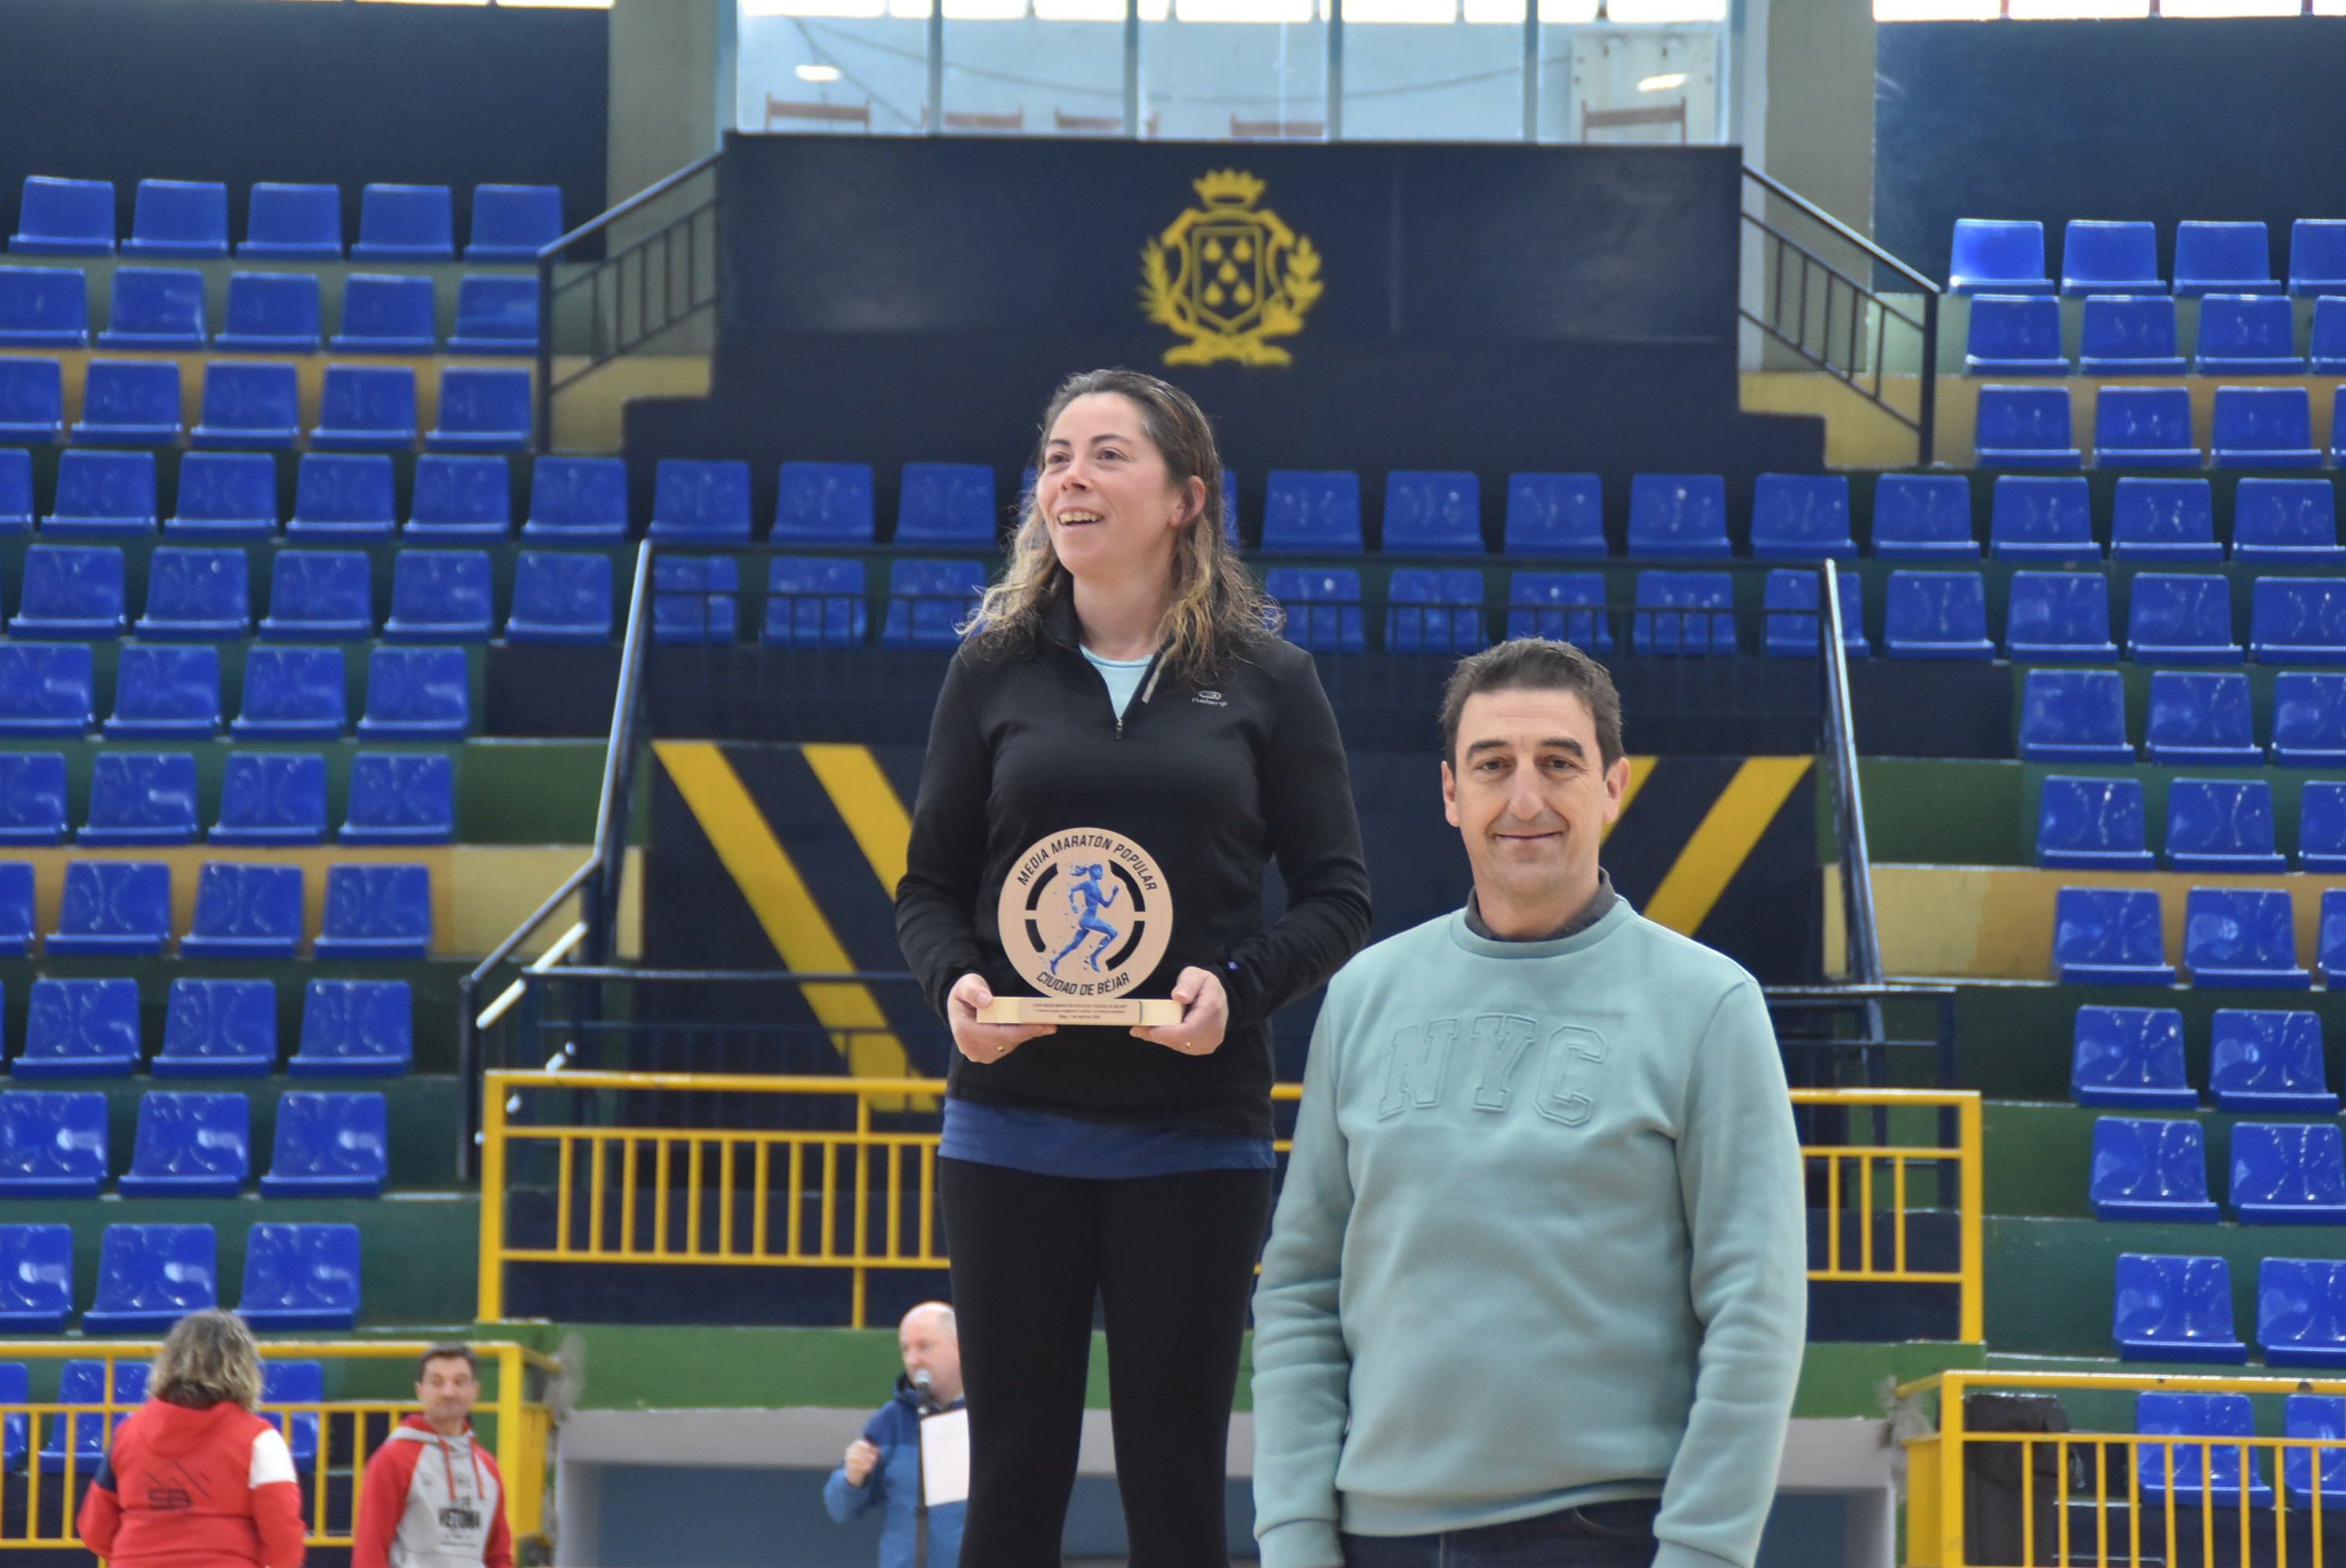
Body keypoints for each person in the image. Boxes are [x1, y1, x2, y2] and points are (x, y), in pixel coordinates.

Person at [895, 367, 1372, 1567]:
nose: (1071, 476)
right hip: (1009, 1128)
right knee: (1011, 1484)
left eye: (1108, 454)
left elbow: (1338, 897)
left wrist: (1241, 990)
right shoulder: (991, 667)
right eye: (1056, 455)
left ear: (1185, 499)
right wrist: (958, 985)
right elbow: (929, 890)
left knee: (1175, 1489)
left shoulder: (1272, 681)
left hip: (1193, 1133)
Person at [1251, 637, 1807, 1568]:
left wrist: (1705, 1551)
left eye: (1559, 763)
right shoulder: (1363, 994)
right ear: (1449, 793)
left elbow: (1755, 1308)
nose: (1524, 799)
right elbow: (1303, 1290)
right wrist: (1295, 1535)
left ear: (1613, 787)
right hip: (1375, 1535)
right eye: (1492, 765)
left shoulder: (1708, 1003)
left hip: (1605, 1532)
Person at [77, 1308, 306, 1568]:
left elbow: (95, 1528)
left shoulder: (127, 1433)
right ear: (245, 1368)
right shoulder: (261, 1439)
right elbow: (283, 1537)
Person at [823, 1301, 968, 1567]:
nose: (913, 1360)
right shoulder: (890, 1422)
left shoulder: (991, 1419)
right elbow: (838, 1509)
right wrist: (852, 1479)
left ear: (960, 1346)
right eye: (905, 1349)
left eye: (924, 1346)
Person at [352, 1344, 513, 1568]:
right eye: (437, 1382)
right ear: (420, 1391)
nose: (449, 1392)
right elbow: (370, 1552)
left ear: (475, 1390)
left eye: (459, 1382)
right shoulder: (392, 1459)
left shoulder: (487, 1466)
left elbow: (499, 1556)